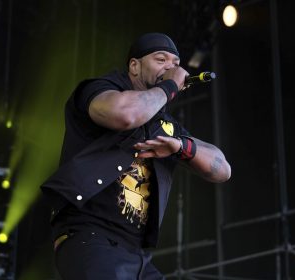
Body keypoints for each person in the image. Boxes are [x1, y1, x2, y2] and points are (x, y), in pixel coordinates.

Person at [41, 32, 231, 280]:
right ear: (134, 65)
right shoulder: (100, 90)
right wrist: (170, 85)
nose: (171, 67)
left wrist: (181, 147)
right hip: (90, 237)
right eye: (161, 59)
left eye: (175, 63)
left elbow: (223, 169)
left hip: (137, 254)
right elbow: (126, 115)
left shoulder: (167, 126)